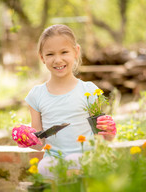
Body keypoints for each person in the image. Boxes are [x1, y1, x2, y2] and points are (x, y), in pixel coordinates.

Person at [12, 24, 117, 179]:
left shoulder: (89, 90)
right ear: (42, 57)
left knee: (77, 162)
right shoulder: (36, 95)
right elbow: (39, 143)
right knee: (43, 166)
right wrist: (25, 140)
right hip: (55, 162)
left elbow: (100, 136)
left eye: (64, 52)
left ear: (76, 52)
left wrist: (109, 133)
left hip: (86, 159)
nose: (58, 59)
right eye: (50, 54)